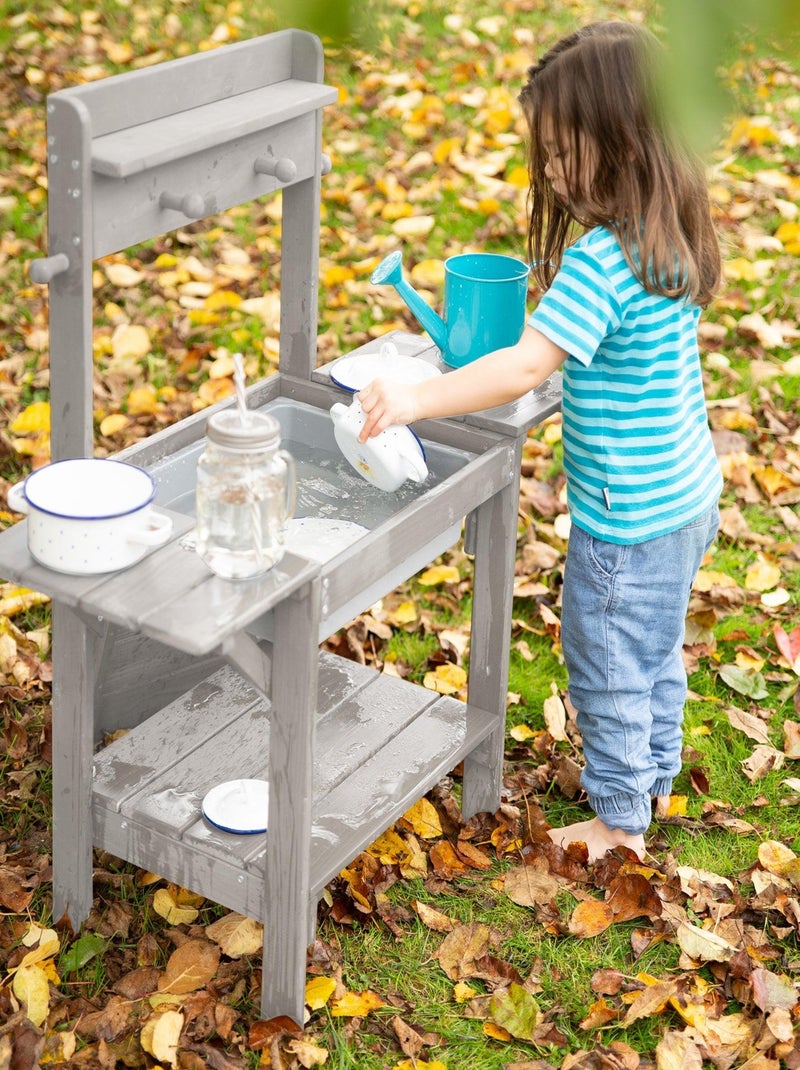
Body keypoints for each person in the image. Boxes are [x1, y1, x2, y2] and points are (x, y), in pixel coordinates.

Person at [357, 20, 722, 862]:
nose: (550, 171)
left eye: (561, 152)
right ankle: (653, 776)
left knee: (606, 659)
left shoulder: (600, 261)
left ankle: (619, 822)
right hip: (687, 496)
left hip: (627, 520)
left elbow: (525, 366)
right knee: (654, 648)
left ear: (620, 140)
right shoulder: (668, 234)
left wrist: (414, 397)